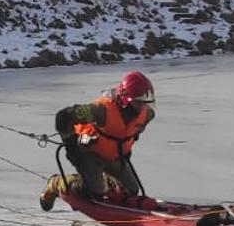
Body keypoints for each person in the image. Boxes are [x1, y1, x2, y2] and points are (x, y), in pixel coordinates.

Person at [39, 71, 155, 210]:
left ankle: (104, 181)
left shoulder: (146, 114)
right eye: (137, 103)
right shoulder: (101, 110)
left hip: (114, 156)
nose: (141, 107)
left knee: (131, 191)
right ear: (125, 99)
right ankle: (56, 183)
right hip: (90, 152)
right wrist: (72, 147)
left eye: (144, 104)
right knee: (92, 192)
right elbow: (63, 117)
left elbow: (133, 132)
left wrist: (126, 149)